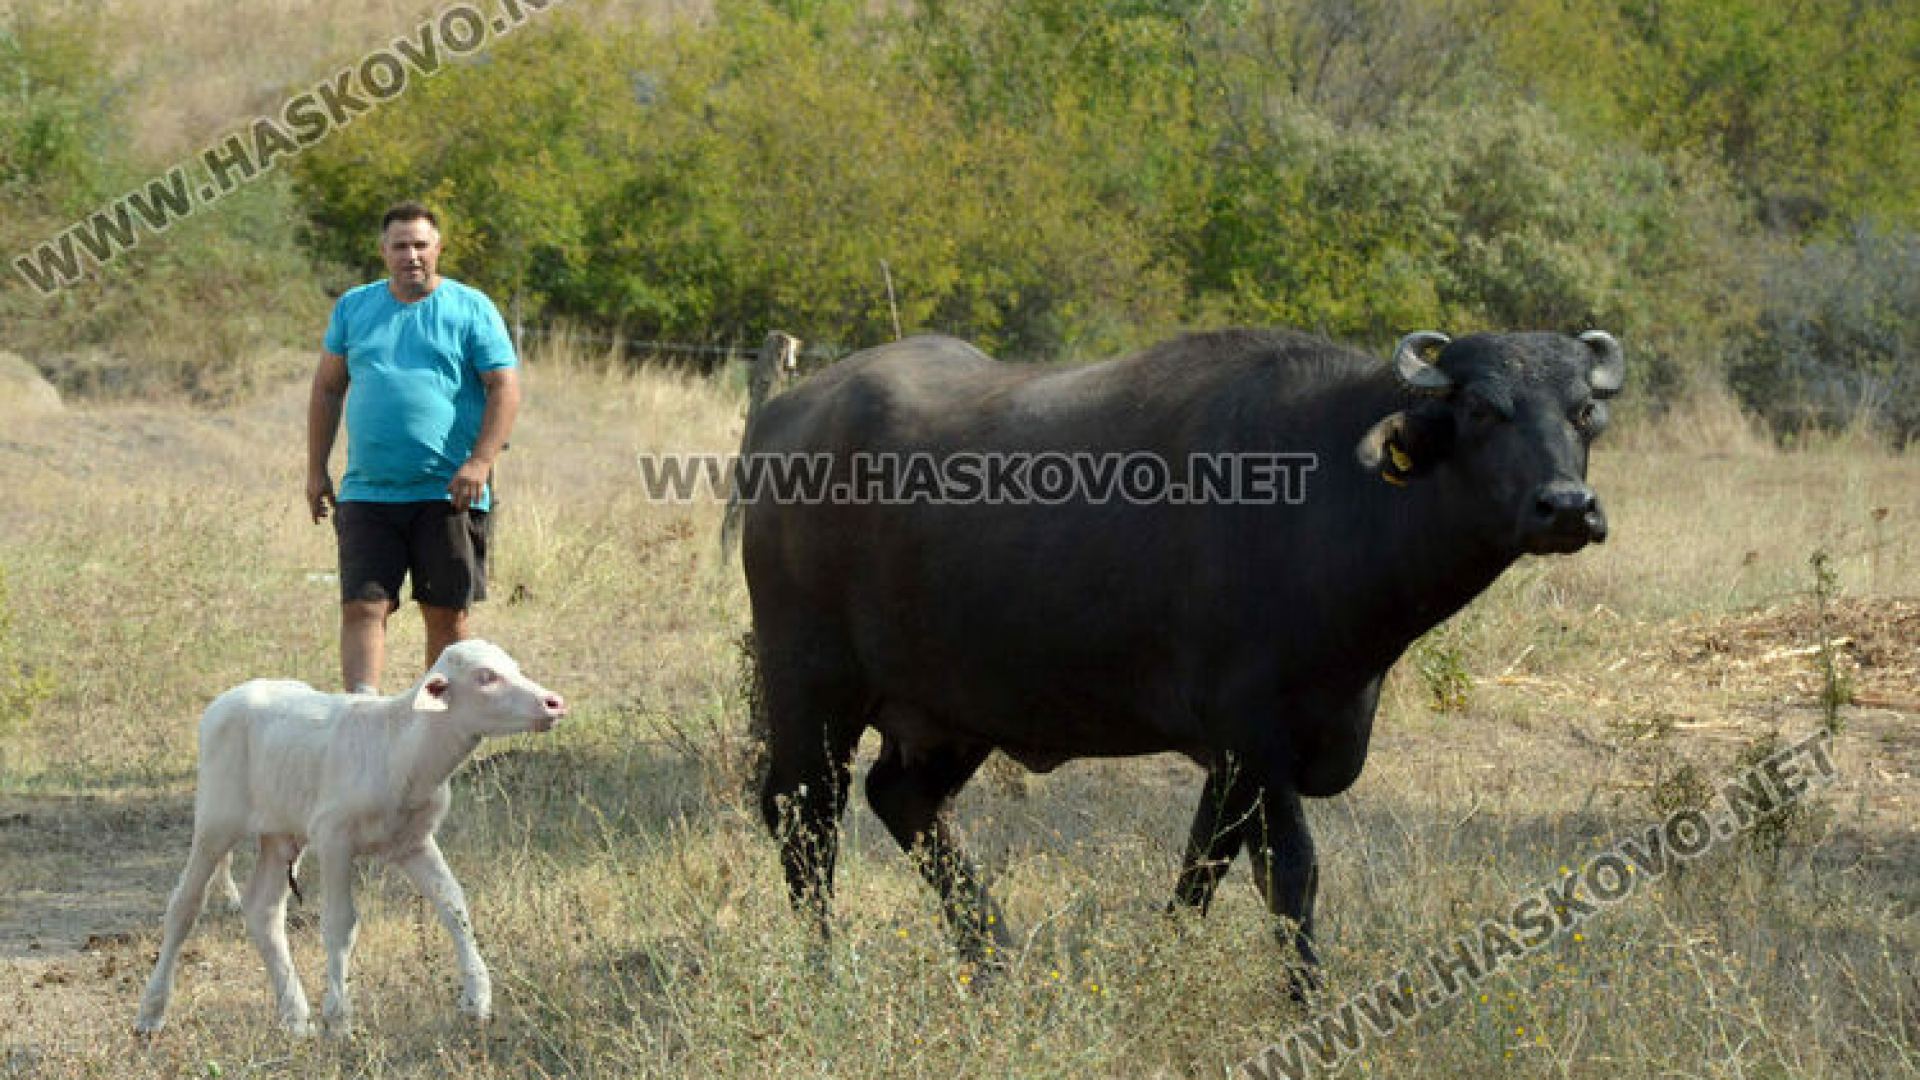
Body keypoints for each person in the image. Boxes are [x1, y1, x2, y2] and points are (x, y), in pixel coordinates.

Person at [305, 201, 521, 693]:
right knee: (363, 606)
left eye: (421, 244)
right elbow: (328, 387)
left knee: (446, 617)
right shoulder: (354, 307)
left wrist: (480, 462)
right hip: (369, 491)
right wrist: (316, 468)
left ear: (438, 247)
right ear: (383, 252)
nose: (411, 255)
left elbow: (504, 387)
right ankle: (362, 722)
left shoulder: (471, 308)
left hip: (449, 491)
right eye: (400, 246)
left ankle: (436, 731)